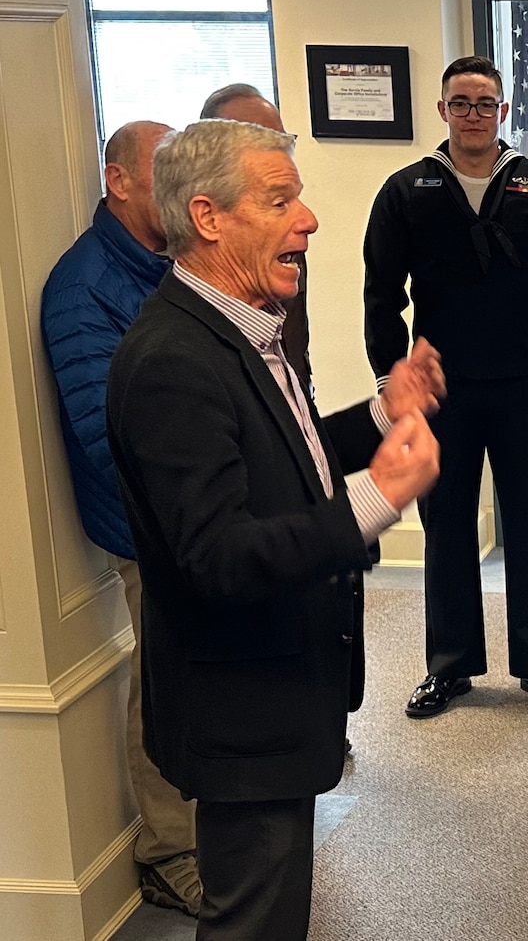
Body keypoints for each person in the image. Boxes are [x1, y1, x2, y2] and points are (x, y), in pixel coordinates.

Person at [105, 120, 442, 940]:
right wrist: (378, 495)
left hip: (279, 693)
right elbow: (219, 557)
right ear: (209, 216)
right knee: (253, 920)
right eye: (281, 199)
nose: (310, 219)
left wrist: (377, 415)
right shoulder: (174, 361)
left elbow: (284, 457)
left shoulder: (243, 324)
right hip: (240, 709)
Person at [364, 56, 528, 719]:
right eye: (460, 102)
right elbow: (381, 296)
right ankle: (449, 667)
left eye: (485, 102)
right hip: (443, 394)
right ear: (442, 111)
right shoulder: (407, 191)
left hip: (527, 383)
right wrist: (392, 385)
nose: (473, 113)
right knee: (446, 528)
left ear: (503, 111)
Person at [40, 120, 203, 916]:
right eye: (161, 168)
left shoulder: (163, 265)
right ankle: (169, 849)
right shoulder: (83, 289)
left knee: (203, 676)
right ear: (120, 181)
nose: (176, 182)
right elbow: (109, 435)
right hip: (150, 529)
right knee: (164, 683)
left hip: (195, 514)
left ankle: (208, 822)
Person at [200, 84, 311, 386]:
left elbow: (292, 340)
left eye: (281, 142)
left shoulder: (287, 241)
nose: (308, 222)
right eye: (259, 141)